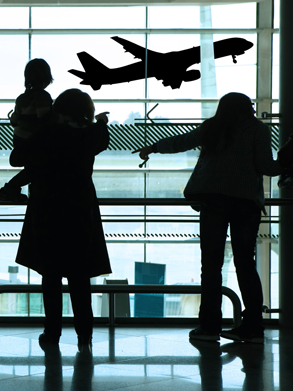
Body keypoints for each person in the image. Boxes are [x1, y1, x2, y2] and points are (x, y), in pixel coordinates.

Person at [133, 92, 283, 344]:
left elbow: (181, 142)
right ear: (248, 108)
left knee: (211, 265)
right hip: (246, 204)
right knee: (246, 264)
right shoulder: (258, 130)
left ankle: (210, 325)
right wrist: (286, 164)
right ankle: (254, 326)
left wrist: (153, 148)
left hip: (213, 202)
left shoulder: (212, 128)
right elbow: (266, 167)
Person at [15, 88, 112, 351]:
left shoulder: (47, 134)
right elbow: (102, 138)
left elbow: (25, 162)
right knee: (79, 277)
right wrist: (101, 122)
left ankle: (52, 331)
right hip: (79, 213)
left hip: (47, 211)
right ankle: (84, 334)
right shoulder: (88, 136)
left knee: (51, 275)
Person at [0, 58, 55, 203]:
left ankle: (12, 189)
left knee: (32, 169)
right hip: (33, 140)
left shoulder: (21, 98)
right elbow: (44, 119)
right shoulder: (43, 97)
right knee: (36, 170)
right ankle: (10, 188)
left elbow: (15, 119)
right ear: (46, 78)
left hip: (19, 138)